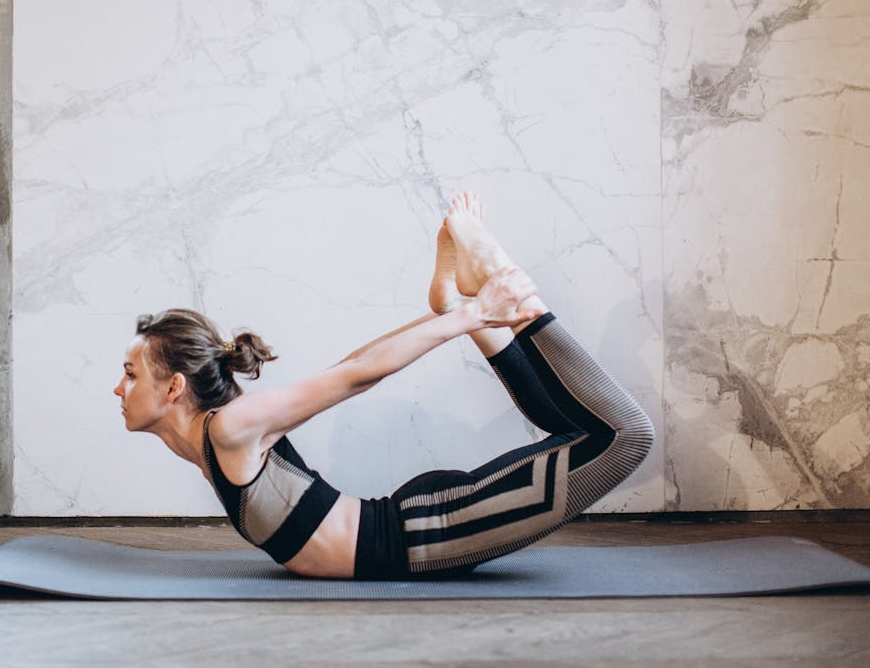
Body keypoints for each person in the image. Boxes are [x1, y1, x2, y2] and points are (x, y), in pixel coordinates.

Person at [114, 192, 654, 579]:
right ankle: (472, 304)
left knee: (626, 437)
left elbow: (356, 373)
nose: (119, 388)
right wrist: (456, 317)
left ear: (173, 388)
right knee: (573, 429)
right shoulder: (208, 435)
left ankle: (504, 287)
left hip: (432, 532)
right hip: (419, 527)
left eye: (131, 373)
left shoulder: (229, 428)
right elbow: (353, 366)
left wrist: (476, 316)